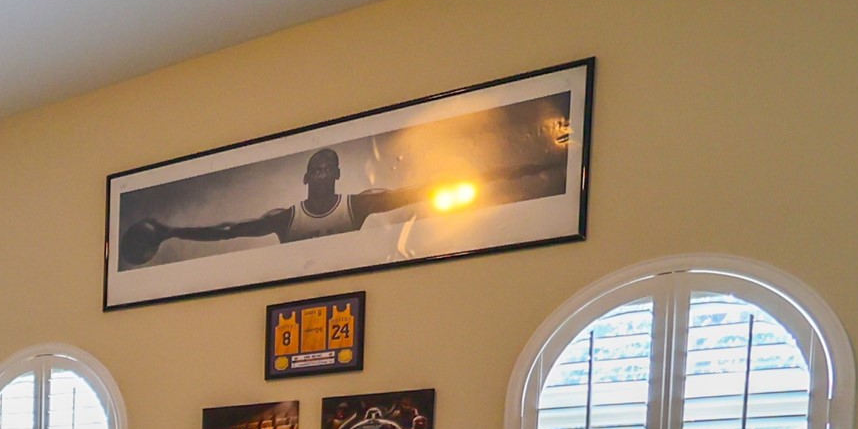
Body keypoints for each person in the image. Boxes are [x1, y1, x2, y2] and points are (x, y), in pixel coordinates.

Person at [121, 145, 566, 266]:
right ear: (305, 177)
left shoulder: (358, 206)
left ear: (337, 176)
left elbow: (421, 190)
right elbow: (228, 230)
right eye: (314, 169)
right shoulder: (286, 218)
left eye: (327, 169)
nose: (321, 175)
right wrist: (170, 231)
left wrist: (502, 175)